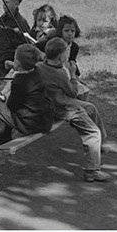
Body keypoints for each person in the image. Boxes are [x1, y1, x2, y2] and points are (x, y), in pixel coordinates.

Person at [39, 37, 107, 181]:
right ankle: (91, 170)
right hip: (64, 109)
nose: (67, 54)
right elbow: (73, 92)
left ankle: (98, 147)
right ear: (60, 56)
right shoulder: (60, 74)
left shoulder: (40, 66)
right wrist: (73, 74)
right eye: (66, 52)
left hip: (52, 104)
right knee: (92, 133)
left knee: (91, 108)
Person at [0, 44, 53, 145]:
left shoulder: (19, 82)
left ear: (18, 63)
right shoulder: (37, 71)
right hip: (43, 120)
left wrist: (2, 99)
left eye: (14, 59)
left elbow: (12, 105)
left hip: (29, 123)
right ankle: (5, 135)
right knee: (10, 110)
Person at [56, 14, 83, 78]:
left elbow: (72, 62)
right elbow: (37, 46)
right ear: (60, 31)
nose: (70, 34)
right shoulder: (55, 43)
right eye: (66, 31)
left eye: (72, 31)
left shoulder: (74, 47)